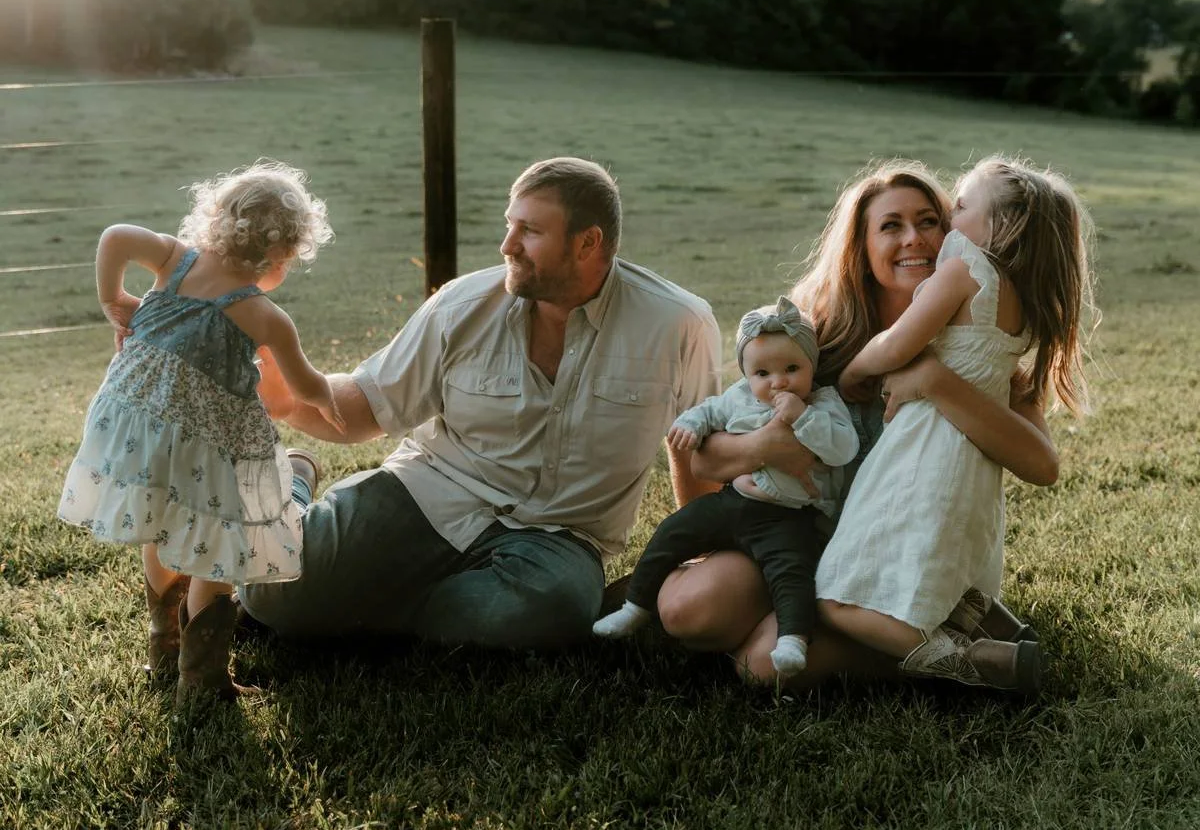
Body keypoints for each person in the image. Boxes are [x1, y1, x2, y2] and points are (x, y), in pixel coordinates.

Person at [241, 157, 722, 649]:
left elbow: (697, 446)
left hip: (558, 537)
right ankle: (297, 484)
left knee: (542, 613)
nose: (507, 245)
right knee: (269, 594)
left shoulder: (680, 324)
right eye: (509, 225)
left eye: (529, 230)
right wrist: (289, 398)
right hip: (427, 494)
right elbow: (367, 406)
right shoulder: (462, 305)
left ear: (588, 242)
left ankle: (392, 607)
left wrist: (697, 559)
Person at [656, 161, 1062, 688]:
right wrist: (771, 446)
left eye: (929, 221)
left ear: (959, 232)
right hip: (799, 539)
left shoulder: (983, 355)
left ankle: (945, 650)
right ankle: (814, 619)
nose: (913, 238)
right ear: (861, 246)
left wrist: (936, 381)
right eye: (890, 226)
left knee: (758, 666)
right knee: (691, 609)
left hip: (903, 561)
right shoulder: (813, 340)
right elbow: (699, 452)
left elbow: (1042, 463)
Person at [58, 161, 339, 704]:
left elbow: (114, 236)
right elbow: (305, 384)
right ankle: (203, 681)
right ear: (281, 257)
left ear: (214, 220)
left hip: (137, 428)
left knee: (162, 526)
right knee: (218, 547)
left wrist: (111, 298)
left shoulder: (173, 260)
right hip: (208, 447)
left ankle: (163, 647)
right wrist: (329, 401)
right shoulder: (264, 315)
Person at [819, 156, 1093, 690]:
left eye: (952, 210)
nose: (931, 231)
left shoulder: (965, 268)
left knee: (835, 596)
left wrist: (858, 371)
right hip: (971, 474)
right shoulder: (1013, 303)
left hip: (924, 455)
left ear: (998, 228)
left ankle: (966, 661)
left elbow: (900, 344)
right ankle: (976, 619)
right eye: (891, 225)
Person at [593, 297, 858, 676]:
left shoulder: (822, 403)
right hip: (733, 502)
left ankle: (793, 641)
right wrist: (691, 425)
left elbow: (843, 448)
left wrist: (802, 418)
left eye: (792, 369)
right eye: (762, 373)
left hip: (785, 517)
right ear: (747, 375)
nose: (778, 381)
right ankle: (634, 608)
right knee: (673, 531)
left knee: (791, 571)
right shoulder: (740, 397)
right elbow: (709, 411)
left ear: (812, 367)